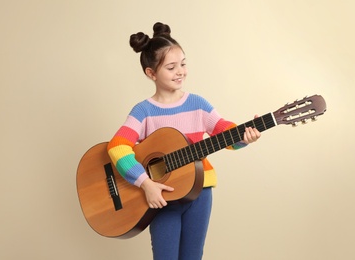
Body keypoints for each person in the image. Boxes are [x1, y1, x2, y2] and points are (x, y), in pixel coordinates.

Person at [107, 22, 261, 260]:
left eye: (183, 64)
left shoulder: (198, 104)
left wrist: (245, 137)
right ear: (151, 73)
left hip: (200, 193)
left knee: (193, 256)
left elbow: (225, 133)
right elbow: (117, 146)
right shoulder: (143, 111)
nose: (180, 71)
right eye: (171, 67)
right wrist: (145, 183)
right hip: (162, 197)